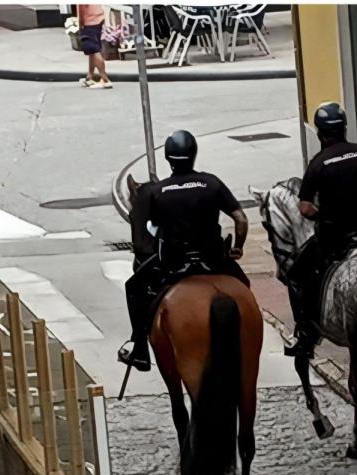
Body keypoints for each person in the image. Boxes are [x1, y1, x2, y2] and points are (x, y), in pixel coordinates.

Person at [118, 130, 250, 371]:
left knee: (134, 288)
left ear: (168, 158)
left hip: (173, 263)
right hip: (213, 261)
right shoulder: (212, 182)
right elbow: (240, 219)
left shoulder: (155, 192)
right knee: (244, 286)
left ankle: (138, 348)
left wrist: (153, 255)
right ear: (193, 155)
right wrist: (238, 248)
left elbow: (140, 243)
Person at [284, 101, 357, 358]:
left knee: (297, 276)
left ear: (321, 133)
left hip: (335, 238)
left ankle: (305, 334)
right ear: (344, 128)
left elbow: (305, 208)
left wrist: (324, 212)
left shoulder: (318, 163)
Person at [78, 4, 112, 89]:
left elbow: (81, 8)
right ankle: (90, 77)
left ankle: (105, 79)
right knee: (92, 50)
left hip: (89, 20)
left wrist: (80, 23)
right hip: (98, 18)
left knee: (93, 49)